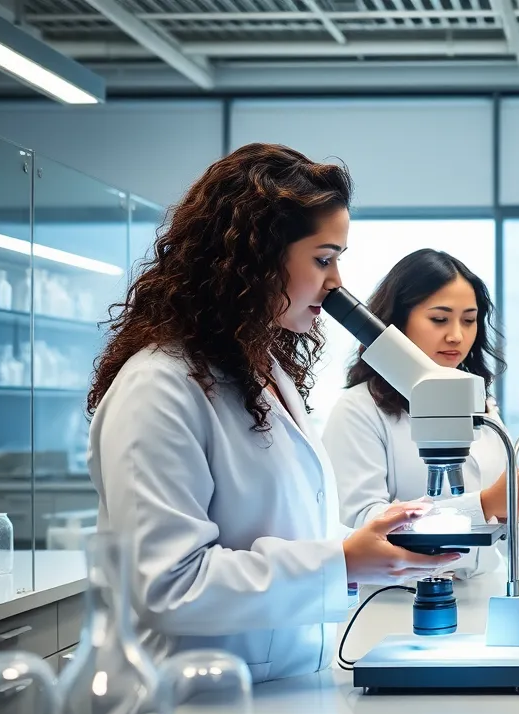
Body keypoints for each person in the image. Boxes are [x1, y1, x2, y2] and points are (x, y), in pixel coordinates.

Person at [86, 144, 460, 684]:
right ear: (255, 258)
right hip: (182, 708)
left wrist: (357, 543)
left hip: (278, 690)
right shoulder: (158, 387)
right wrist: (342, 562)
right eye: (323, 258)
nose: (336, 282)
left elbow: (277, 527)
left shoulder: (259, 375)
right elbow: (167, 586)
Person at [322, 249, 519, 578]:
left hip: (485, 592)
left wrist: (515, 506)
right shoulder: (359, 410)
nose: (456, 335)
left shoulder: (481, 404)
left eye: (469, 320)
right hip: (396, 600)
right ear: (397, 323)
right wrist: (484, 506)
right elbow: (362, 525)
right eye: (439, 319)